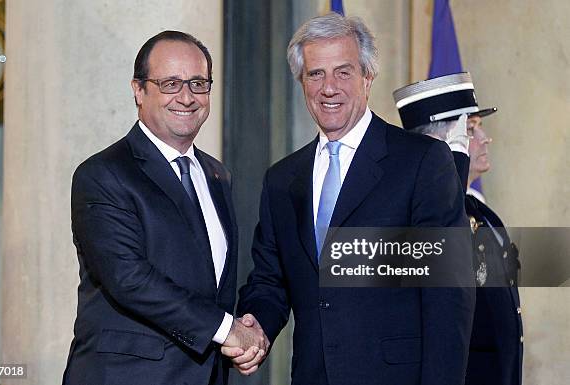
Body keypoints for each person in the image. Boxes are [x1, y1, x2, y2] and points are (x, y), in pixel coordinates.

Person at [228, 13, 475, 385]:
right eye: (316, 74)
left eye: (343, 72)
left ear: (367, 77)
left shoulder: (421, 161)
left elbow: (447, 296)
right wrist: (253, 328)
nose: (330, 88)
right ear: (301, 81)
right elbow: (269, 281)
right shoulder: (282, 180)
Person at [62, 30, 266, 385]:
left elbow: (211, 287)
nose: (186, 97)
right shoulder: (103, 174)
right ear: (138, 91)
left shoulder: (218, 176)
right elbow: (129, 279)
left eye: (198, 83)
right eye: (170, 83)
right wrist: (226, 330)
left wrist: (240, 338)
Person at [394, 72, 523, 385]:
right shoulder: (411, 218)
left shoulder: (486, 216)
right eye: (470, 129)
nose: (483, 139)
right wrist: (447, 161)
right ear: (439, 143)